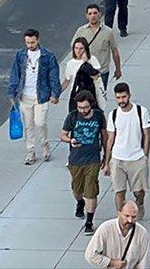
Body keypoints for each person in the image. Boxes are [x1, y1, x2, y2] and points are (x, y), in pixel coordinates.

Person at [6, 28, 61, 165]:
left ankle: (44, 146)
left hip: (41, 96)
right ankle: (30, 151)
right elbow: (15, 74)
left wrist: (55, 93)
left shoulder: (48, 56)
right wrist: (11, 92)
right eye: (27, 42)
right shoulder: (20, 56)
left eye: (32, 42)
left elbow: (53, 75)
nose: (30, 45)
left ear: (38, 40)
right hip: (25, 96)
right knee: (29, 126)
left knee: (40, 123)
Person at [62, 90, 109, 235]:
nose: (83, 110)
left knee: (90, 189)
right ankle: (80, 202)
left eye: (86, 107)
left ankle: (89, 221)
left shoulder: (98, 116)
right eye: (80, 107)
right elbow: (63, 134)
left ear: (91, 105)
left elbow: (104, 136)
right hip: (75, 159)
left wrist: (106, 157)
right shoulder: (73, 116)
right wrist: (71, 140)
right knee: (77, 190)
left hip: (93, 159)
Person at [105, 82, 150, 216]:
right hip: (118, 159)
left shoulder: (141, 111)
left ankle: (140, 204)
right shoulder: (113, 115)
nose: (121, 101)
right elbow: (110, 139)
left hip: (137, 158)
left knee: (138, 191)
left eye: (124, 97)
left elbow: (147, 135)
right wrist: (107, 162)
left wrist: (145, 156)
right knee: (119, 192)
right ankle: (122, 216)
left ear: (129, 95)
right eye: (118, 98)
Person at [84, 200, 150, 269]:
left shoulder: (142, 233)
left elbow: (143, 262)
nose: (130, 220)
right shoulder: (105, 229)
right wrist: (112, 263)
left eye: (133, 217)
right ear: (119, 213)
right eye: (126, 216)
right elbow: (90, 255)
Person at [73, 4, 122, 90]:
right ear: (87, 16)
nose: (93, 16)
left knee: (101, 98)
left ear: (100, 14)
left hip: (101, 72)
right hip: (85, 71)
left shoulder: (108, 32)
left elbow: (114, 51)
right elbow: (74, 49)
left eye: (95, 13)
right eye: (90, 13)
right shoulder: (81, 31)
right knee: (85, 98)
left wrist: (118, 69)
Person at [62, 37, 103, 113]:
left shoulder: (92, 59)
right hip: (76, 93)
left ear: (85, 49)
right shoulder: (70, 63)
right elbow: (67, 80)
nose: (78, 51)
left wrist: (86, 63)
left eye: (81, 48)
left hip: (90, 93)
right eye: (76, 48)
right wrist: (57, 93)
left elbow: (96, 76)